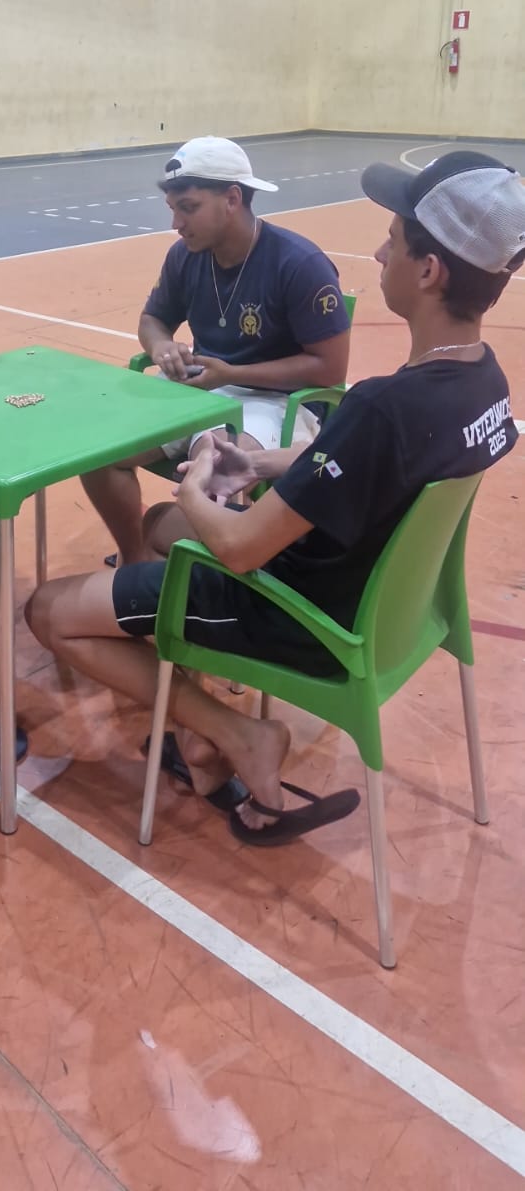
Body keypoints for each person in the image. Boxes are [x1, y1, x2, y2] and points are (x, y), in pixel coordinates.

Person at [27, 150, 524, 845]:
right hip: (390, 611)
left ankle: (239, 733)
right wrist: (259, 460)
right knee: (162, 525)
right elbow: (360, 460)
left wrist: (199, 483)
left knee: (49, 610)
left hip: (301, 615)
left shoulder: (380, 407)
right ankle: (198, 743)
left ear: (428, 271)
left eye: (393, 241)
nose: (379, 253)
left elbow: (236, 548)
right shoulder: (482, 383)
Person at [80, 136, 352, 564]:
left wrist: (231, 374)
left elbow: (330, 369)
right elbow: (152, 319)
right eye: (173, 209)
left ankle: (208, 574)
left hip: (278, 401)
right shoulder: (184, 256)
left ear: (232, 199)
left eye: (188, 208)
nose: (176, 223)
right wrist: (162, 345)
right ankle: (135, 560)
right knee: (96, 450)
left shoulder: (299, 263)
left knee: (214, 467)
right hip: (202, 386)